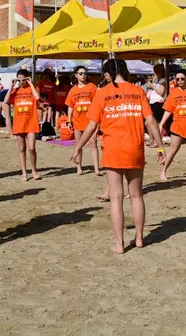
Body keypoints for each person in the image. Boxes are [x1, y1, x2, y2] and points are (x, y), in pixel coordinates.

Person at [71, 59, 165, 254]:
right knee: (137, 196)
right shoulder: (137, 91)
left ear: (108, 74)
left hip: (113, 149)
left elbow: (91, 125)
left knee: (116, 198)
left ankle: (120, 243)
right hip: (135, 148)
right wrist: (160, 147)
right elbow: (150, 121)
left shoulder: (102, 93)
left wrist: (78, 147)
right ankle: (139, 239)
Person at [5, 69, 41, 181]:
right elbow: (6, 100)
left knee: (31, 148)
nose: (21, 82)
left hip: (31, 122)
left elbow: (38, 98)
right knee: (21, 148)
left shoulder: (33, 89)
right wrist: (11, 86)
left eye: (23, 79)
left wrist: (31, 83)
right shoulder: (15, 91)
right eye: (19, 79)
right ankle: (24, 173)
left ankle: (34, 170)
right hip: (19, 122)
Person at [66, 65, 101, 177]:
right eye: (81, 73)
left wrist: (98, 122)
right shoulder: (73, 90)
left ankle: (96, 169)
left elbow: (97, 103)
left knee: (93, 144)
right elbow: (70, 106)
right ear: (76, 75)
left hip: (90, 121)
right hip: (77, 120)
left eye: (85, 73)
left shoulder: (92, 87)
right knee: (78, 144)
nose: (83, 75)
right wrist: (68, 120)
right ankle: (79, 168)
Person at [147, 66, 167, 147]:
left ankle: (156, 141)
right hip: (152, 102)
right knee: (148, 122)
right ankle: (152, 139)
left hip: (159, 102)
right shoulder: (156, 79)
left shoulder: (163, 80)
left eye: (157, 70)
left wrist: (152, 86)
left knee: (157, 123)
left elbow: (161, 92)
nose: (155, 72)